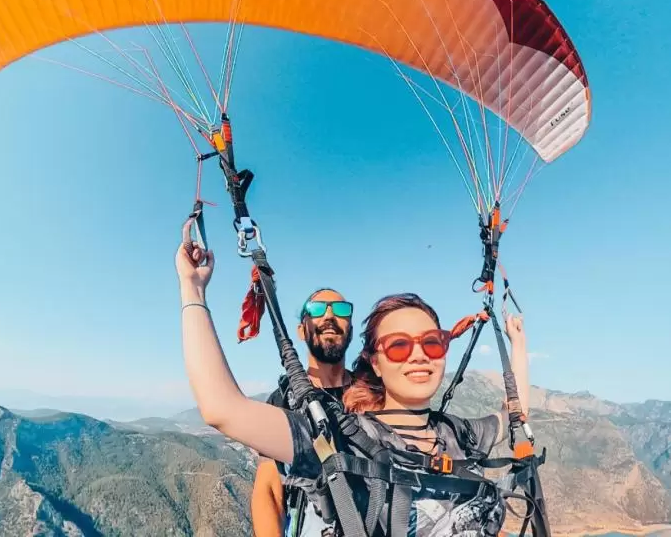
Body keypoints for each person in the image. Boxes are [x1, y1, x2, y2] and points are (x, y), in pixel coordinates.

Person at [176, 220, 530, 536]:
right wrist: (192, 290)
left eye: (432, 344)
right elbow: (232, 424)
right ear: (377, 361)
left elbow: (515, 416)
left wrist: (517, 346)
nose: (418, 355)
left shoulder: (448, 430)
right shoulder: (336, 429)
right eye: (399, 347)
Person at [252, 288, 355, 537]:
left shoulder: (372, 395)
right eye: (318, 309)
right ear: (301, 330)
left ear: (350, 330)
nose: (329, 315)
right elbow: (270, 488)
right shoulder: (283, 402)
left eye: (341, 310)